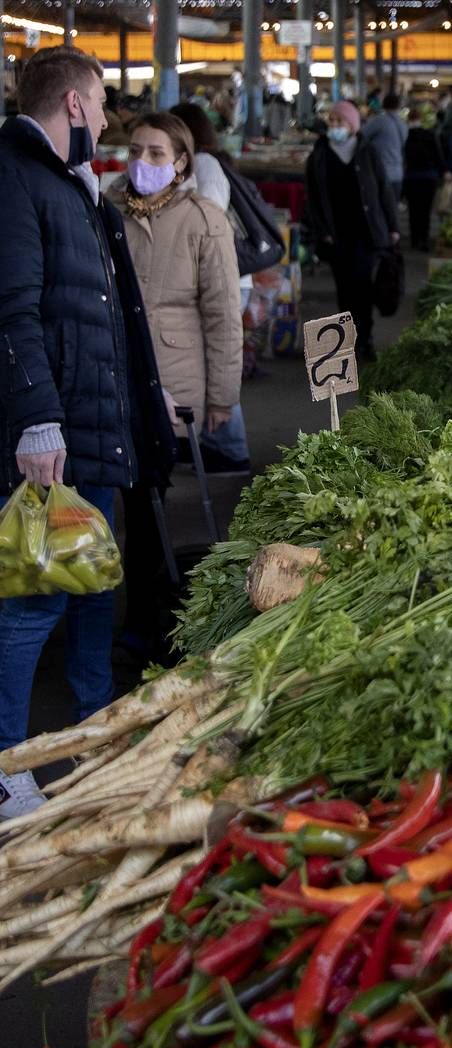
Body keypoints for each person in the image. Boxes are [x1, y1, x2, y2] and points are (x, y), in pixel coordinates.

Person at [0, 47, 175, 816]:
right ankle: (8, 764)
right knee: (37, 597)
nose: (108, 118)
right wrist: (38, 420)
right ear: (73, 105)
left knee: (95, 585)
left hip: (95, 430)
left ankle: (94, 726)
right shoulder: (15, 178)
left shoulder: (75, 187)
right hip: (54, 436)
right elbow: (13, 310)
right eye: (102, 103)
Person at [111, 113, 242, 660]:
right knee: (130, 502)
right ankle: (137, 617)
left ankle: (152, 622)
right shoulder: (107, 210)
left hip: (176, 380)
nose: (143, 162)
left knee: (155, 506)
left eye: (157, 153)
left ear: (182, 162)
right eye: (136, 150)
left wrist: (221, 397)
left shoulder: (204, 221)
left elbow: (223, 315)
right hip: (115, 375)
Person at [169, 101, 253, 473]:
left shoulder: (205, 166)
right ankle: (208, 442)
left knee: (218, 359)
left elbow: (208, 223)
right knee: (202, 361)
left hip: (219, 279)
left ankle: (231, 449)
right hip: (211, 279)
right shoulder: (203, 164)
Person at [304, 100, 400, 360]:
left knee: (363, 288)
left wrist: (393, 226)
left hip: (367, 233)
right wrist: (320, 229)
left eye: (340, 121)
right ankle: (346, 342)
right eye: (332, 121)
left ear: (353, 125)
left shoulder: (368, 152)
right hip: (337, 236)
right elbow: (312, 199)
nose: (334, 126)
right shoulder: (319, 156)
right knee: (344, 289)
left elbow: (384, 191)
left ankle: (365, 339)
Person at [404, 105, 448, 251]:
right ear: (421, 119)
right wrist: (444, 172)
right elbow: (438, 156)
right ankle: (424, 238)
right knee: (425, 211)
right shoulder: (430, 134)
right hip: (429, 177)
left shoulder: (405, 136)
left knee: (413, 210)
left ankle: (415, 239)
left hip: (411, 178)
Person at [363, 91, 409, 202]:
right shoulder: (403, 124)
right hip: (398, 174)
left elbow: (361, 135)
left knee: (379, 210)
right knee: (392, 209)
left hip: (380, 173)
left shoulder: (379, 121)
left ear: (383, 104)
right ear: (398, 106)